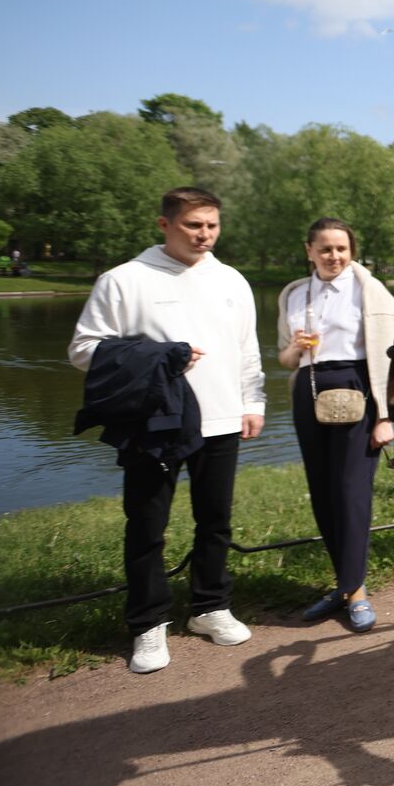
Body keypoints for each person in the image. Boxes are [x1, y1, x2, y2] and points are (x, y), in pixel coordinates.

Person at [69, 187, 265, 674]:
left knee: (215, 521)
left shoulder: (232, 281)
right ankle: (148, 624)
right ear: (164, 225)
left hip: (221, 419)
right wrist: (159, 354)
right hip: (154, 421)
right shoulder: (123, 280)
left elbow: (247, 349)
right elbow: (82, 349)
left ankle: (209, 607)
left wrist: (253, 401)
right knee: (147, 525)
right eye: (193, 225)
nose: (205, 235)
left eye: (212, 225)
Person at [278, 218, 394, 632]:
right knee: (324, 493)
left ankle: (357, 591)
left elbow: (389, 355)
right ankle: (343, 586)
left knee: (351, 493)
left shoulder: (369, 290)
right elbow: (285, 360)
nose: (334, 257)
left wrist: (385, 417)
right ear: (309, 250)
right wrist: (295, 347)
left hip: (356, 389)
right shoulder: (294, 294)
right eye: (325, 249)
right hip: (308, 392)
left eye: (342, 249)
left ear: (352, 251)